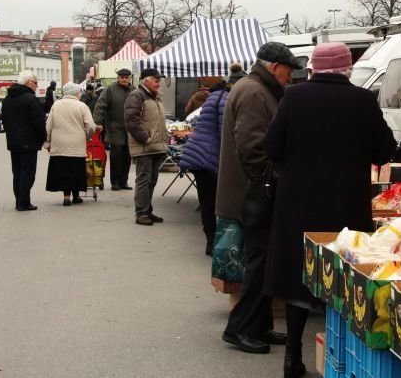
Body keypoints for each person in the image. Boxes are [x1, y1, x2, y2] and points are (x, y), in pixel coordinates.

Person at [263, 42, 396, 377]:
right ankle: (347, 354)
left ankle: (292, 357)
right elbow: (384, 150)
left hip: (298, 201)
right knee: (346, 274)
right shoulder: (363, 100)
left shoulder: (293, 96)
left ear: (314, 68)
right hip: (346, 202)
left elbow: (271, 146)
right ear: (347, 68)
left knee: (299, 276)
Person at [218, 42, 301, 354]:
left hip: (252, 188)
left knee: (264, 260)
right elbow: (252, 147)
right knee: (261, 262)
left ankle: (259, 326)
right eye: (288, 71)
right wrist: (270, 179)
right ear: (273, 67)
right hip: (252, 191)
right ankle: (239, 329)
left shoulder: (254, 87)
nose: (290, 77)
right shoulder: (254, 91)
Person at [179, 75, 242, 255]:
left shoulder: (216, 97)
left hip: (199, 154)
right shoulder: (225, 99)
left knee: (207, 201)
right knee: (214, 202)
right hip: (208, 156)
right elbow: (225, 132)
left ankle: (211, 240)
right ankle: (214, 242)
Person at [124, 68, 169, 226]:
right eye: (156, 81)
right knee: (144, 180)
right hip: (145, 147)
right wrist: (145, 139)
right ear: (146, 81)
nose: (159, 84)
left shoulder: (155, 97)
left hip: (156, 146)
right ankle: (141, 213)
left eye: (159, 81)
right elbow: (131, 121)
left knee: (152, 180)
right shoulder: (136, 95)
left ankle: (147, 210)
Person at [45, 83, 97, 206]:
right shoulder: (82, 106)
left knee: (63, 171)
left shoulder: (56, 105)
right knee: (76, 170)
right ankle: (76, 196)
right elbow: (91, 126)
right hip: (77, 144)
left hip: (59, 145)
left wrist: (48, 141)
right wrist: (86, 136)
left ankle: (66, 197)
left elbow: (48, 125)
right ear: (76, 93)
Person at [2, 70, 47, 212]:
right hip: (29, 142)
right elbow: (39, 121)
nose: (36, 86)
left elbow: (4, 119)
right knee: (28, 173)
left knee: (18, 172)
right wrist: (44, 138)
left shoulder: (8, 99)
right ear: (28, 83)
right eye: (35, 83)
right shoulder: (30, 99)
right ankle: (23, 202)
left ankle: (19, 200)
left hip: (13, 141)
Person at [93, 69, 133, 191]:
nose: (124, 79)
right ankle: (115, 182)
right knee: (116, 157)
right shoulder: (110, 89)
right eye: (122, 77)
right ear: (118, 78)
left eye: (126, 77)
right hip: (115, 128)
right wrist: (98, 122)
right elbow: (100, 105)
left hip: (130, 130)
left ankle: (124, 181)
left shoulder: (134, 90)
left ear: (130, 78)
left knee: (127, 157)